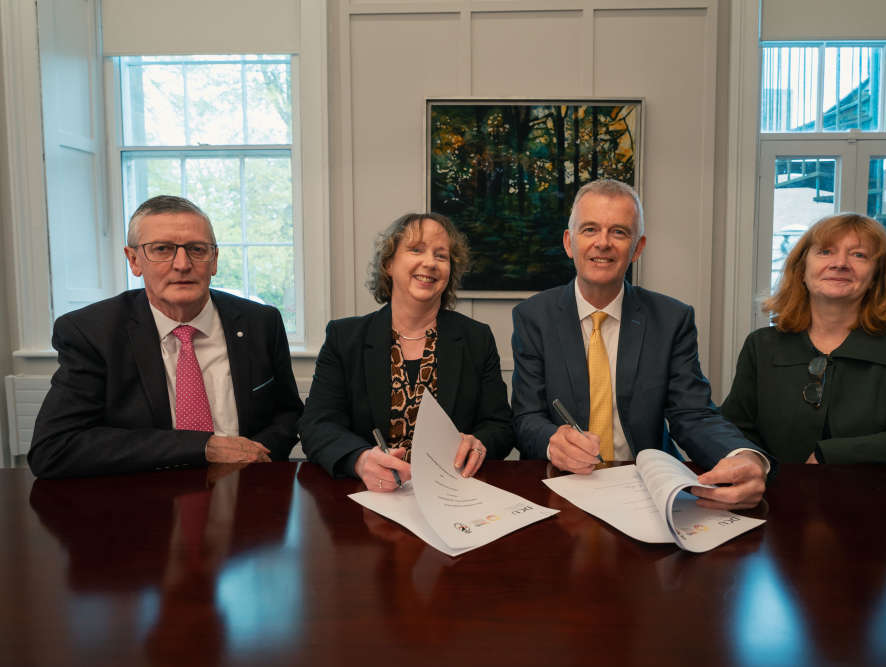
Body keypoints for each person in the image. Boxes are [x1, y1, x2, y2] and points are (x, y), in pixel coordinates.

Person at [511, 179, 768, 510]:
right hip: (562, 488)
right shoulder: (534, 317)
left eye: (619, 232)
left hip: (646, 490)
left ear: (638, 247)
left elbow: (693, 414)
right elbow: (526, 415)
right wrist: (550, 441)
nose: (602, 243)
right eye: (589, 229)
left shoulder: (671, 319)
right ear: (569, 242)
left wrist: (743, 455)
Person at [28, 195, 303, 479]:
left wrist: (256, 455)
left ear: (215, 260)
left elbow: (287, 413)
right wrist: (202, 448)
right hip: (144, 500)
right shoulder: (92, 332)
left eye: (197, 249)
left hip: (247, 489)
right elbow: (54, 448)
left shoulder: (260, 322)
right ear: (134, 260)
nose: (182, 264)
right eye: (162, 249)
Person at [721, 212, 886, 471]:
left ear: (876, 277)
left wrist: (835, 454)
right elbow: (733, 432)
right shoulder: (761, 345)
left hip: (875, 503)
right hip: (777, 501)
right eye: (825, 252)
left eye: (859, 255)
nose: (840, 263)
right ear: (801, 270)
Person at [299, 212, 514, 491]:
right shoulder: (344, 337)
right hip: (368, 495)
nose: (430, 263)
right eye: (416, 250)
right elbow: (316, 425)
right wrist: (359, 459)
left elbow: (500, 426)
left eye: (441, 255)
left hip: (452, 495)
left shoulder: (477, 338)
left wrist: (480, 443)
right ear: (389, 263)